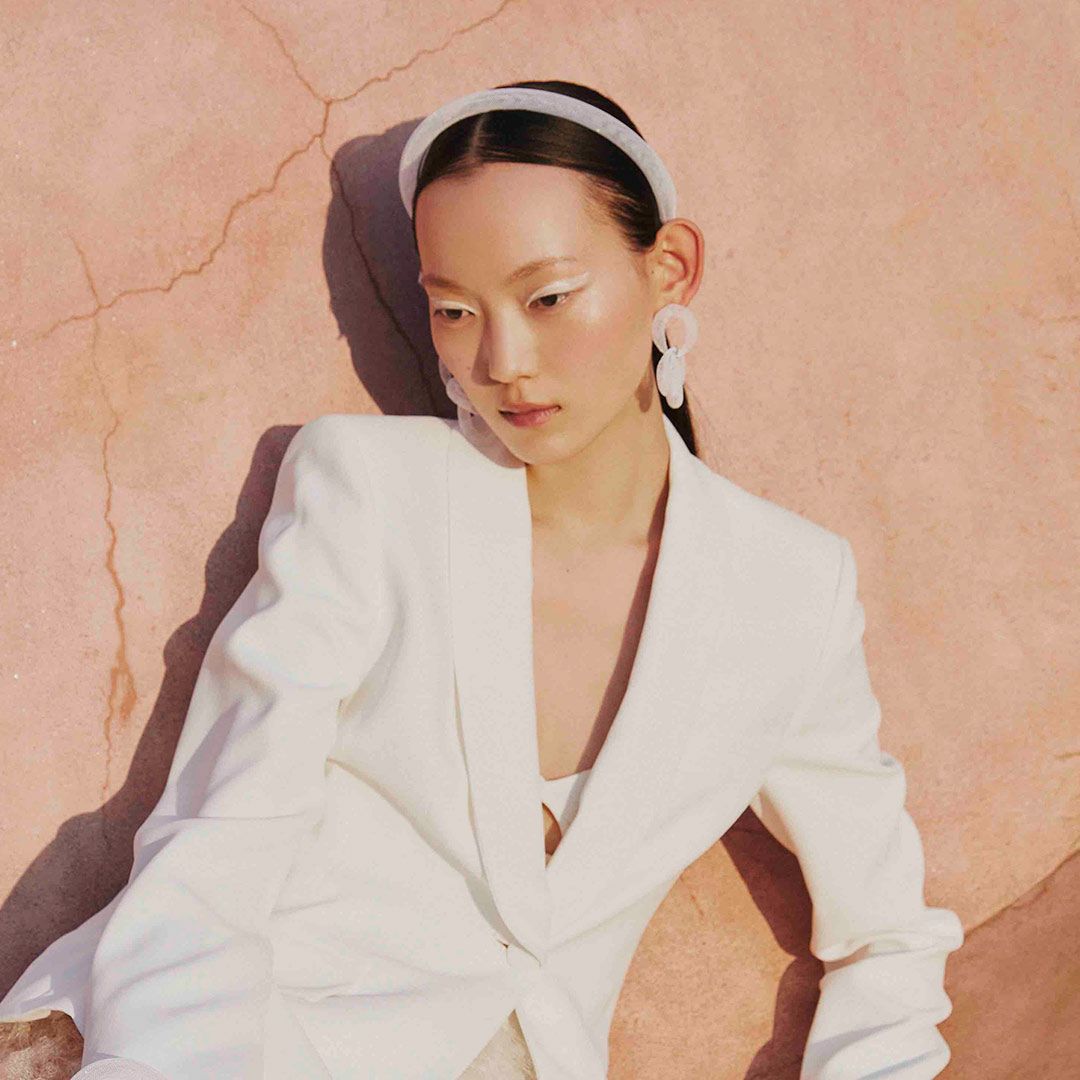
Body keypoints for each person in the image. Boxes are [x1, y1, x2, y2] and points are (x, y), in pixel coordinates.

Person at [0, 81, 964, 1079]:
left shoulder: (790, 590)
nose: (502, 360)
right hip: (224, 1040)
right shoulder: (370, 492)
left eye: (548, 298)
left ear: (670, 268)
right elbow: (217, 844)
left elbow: (891, 933)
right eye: (455, 311)